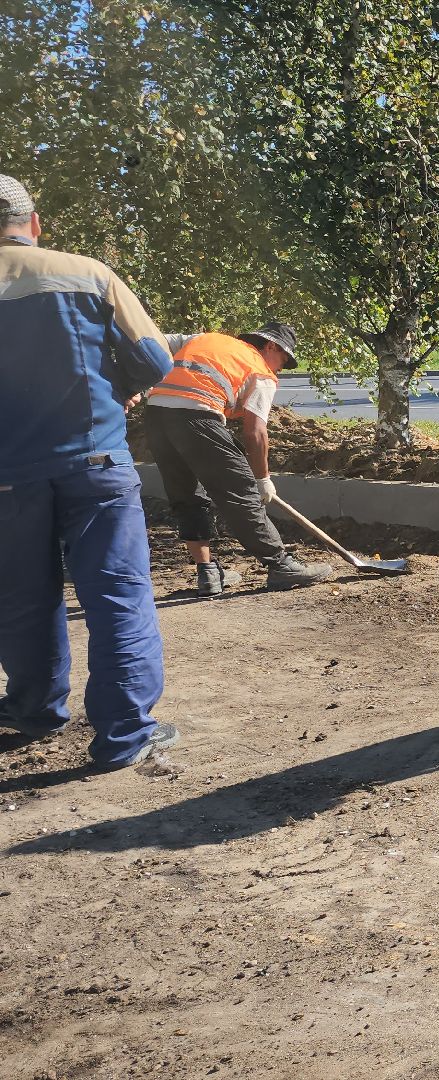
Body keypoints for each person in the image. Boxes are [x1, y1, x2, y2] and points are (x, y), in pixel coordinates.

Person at [0, 173, 181, 768]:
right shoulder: (88, 273)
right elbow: (155, 359)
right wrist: (116, 389)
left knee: (22, 598)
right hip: (95, 460)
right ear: (35, 223)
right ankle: (124, 734)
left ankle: (33, 707)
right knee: (117, 595)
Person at [142, 323, 333, 594]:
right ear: (271, 346)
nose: (280, 368)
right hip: (197, 417)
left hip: (156, 416)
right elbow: (255, 432)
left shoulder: (206, 339)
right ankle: (280, 565)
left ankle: (207, 573)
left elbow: (153, 339)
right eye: (283, 360)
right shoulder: (260, 371)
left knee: (186, 496)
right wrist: (262, 479)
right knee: (240, 493)